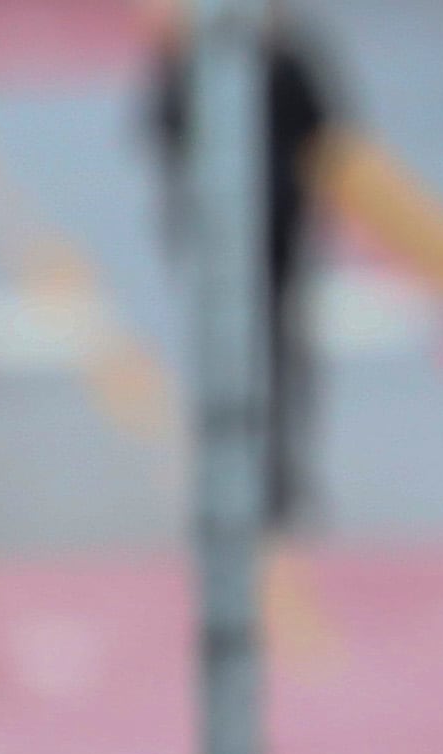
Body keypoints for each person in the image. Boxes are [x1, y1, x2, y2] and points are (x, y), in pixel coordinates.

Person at [142, 5, 344, 531]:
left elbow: (327, 125)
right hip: (224, 237)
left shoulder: (283, 58)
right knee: (231, 358)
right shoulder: (196, 61)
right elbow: (162, 130)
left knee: (273, 356)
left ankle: (273, 476)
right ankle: (235, 475)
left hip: (274, 232)